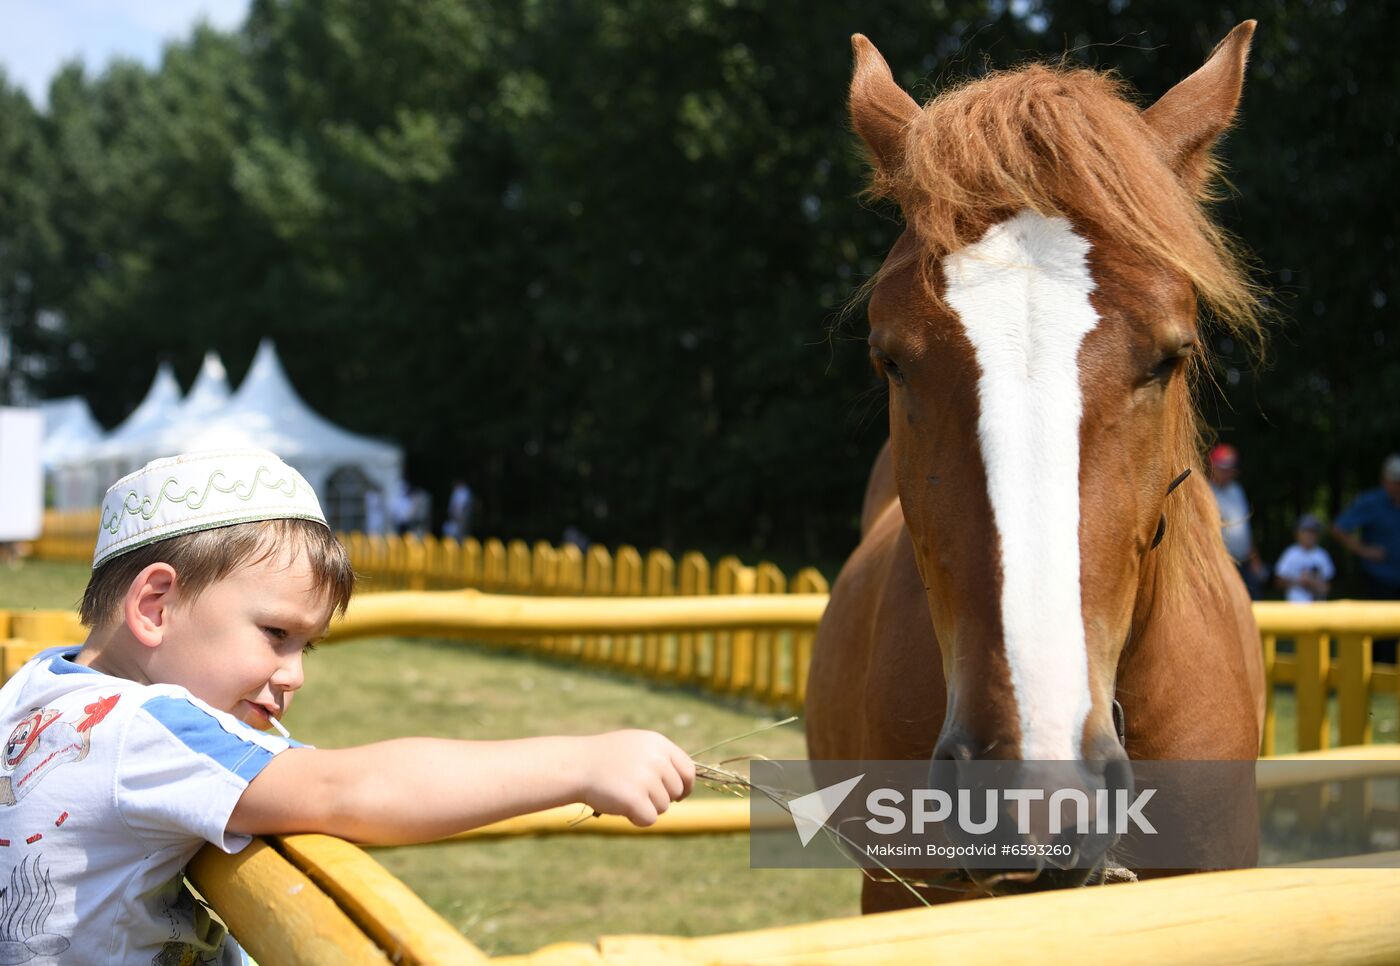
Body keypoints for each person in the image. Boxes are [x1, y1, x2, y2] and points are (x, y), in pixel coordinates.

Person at [0, 450, 693, 963]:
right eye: (276, 635)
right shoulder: (149, 731)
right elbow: (353, 788)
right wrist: (582, 761)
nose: (294, 675)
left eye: (307, 648)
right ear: (155, 605)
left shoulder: (35, 688)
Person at [1332, 454, 1400, 663]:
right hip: (1380, 578)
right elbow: (1339, 528)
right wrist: (1364, 550)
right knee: (1381, 635)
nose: (1398, 486)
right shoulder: (1372, 502)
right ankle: (1379, 675)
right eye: (1395, 482)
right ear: (1384, 480)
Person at [1206, 443, 1269, 598]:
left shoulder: (1237, 490)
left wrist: (1255, 559)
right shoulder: (1204, 491)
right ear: (1212, 466)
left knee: (1254, 600)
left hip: (1244, 562)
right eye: (1223, 467)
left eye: (1230, 467)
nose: (1228, 472)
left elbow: (1244, 528)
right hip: (1217, 564)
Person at [1274, 514, 1335, 604]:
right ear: (1297, 533)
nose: (1309, 535)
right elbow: (1278, 583)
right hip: (1294, 610)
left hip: (1318, 610)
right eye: (1305, 531)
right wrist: (1299, 581)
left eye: (1312, 531)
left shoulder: (1322, 555)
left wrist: (1313, 583)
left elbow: (1328, 587)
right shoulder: (1290, 554)